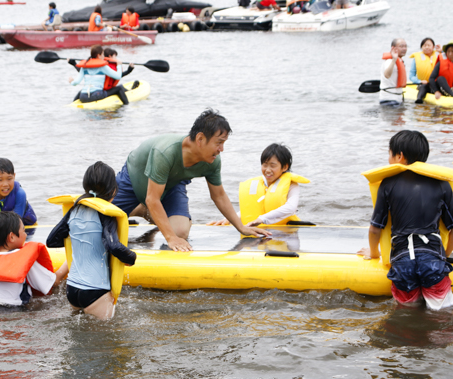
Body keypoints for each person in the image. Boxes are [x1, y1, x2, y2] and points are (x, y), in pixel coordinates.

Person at [111, 109, 271, 252]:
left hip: (172, 184)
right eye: (219, 143)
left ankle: (144, 210)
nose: (221, 149)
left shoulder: (213, 160)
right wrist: (170, 239)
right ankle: (141, 208)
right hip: (134, 179)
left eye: (223, 144)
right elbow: (152, 198)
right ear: (200, 138)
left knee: (179, 232)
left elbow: (219, 196)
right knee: (100, 219)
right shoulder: (165, 152)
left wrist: (241, 227)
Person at [358, 130, 453, 311]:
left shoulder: (388, 184)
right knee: (442, 316)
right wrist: (445, 255)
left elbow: (375, 228)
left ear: (400, 156)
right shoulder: (441, 183)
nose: (389, 159)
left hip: (402, 262)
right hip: (432, 260)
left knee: (406, 315)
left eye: (390, 154)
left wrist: (374, 253)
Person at [46, 162, 137, 320]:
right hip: (96, 290)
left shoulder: (74, 210)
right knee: (104, 340)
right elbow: (113, 246)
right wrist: (131, 257)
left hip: (72, 289)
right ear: (113, 190)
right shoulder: (106, 214)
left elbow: (52, 241)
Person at [0, 212, 69, 306]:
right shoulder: (24, 259)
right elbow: (54, 282)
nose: (25, 235)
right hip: (8, 311)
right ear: (12, 237)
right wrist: (70, 260)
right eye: (24, 231)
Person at [209, 143, 308, 226]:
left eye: (272, 166)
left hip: (285, 230)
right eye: (265, 165)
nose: (268, 170)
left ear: (285, 167)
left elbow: (291, 208)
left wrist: (261, 219)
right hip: (262, 229)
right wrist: (230, 219)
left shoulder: (292, 185)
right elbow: (251, 208)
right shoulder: (258, 184)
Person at [409, 38, 441, 104]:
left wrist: (442, 51)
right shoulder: (416, 58)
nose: (426, 47)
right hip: (424, 84)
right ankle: (419, 99)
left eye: (429, 45)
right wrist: (420, 81)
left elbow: (449, 60)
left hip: (436, 84)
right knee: (424, 86)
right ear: (421, 47)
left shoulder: (439, 55)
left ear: (433, 47)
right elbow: (411, 76)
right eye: (424, 45)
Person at [380, 38, 408, 106]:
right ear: (393, 48)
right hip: (388, 100)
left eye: (405, 46)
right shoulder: (389, 61)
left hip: (397, 99)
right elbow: (386, 75)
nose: (404, 48)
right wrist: (394, 60)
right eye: (401, 46)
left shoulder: (400, 61)